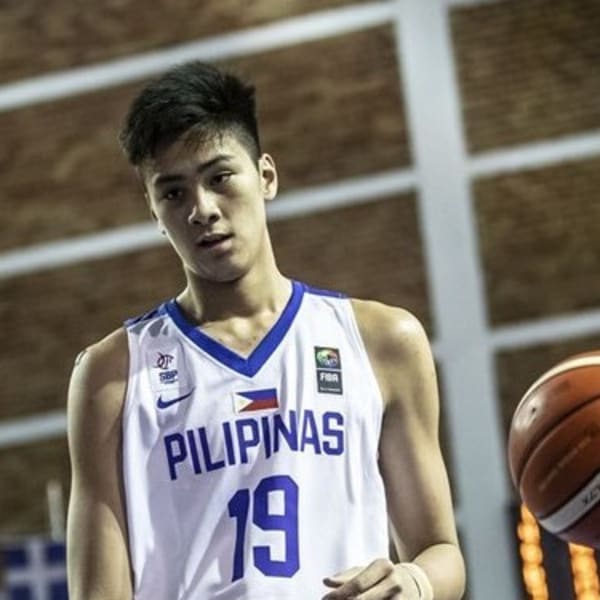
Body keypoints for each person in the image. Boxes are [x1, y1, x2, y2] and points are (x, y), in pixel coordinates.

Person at [66, 60, 466, 600]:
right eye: (174, 193)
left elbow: (440, 551)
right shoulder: (112, 375)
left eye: (219, 177)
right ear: (154, 212)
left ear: (266, 177)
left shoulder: (384, 342)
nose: (203, 210)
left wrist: (414, 582)